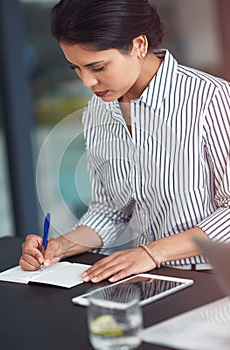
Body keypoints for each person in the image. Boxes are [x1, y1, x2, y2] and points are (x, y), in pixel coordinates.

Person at [20, 0, 230, 284]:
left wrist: (151, 253)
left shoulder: (212, 99)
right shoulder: (97, 111)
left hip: (213, 281)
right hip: (145, 280)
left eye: (98, 67)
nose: (87, 82)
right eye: (76, 69)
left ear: (138, 45)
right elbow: (110, 211)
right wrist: (61, 246)